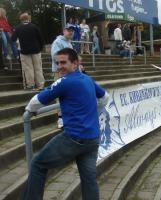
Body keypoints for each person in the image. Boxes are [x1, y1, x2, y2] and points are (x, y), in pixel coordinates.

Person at [22, 48, 109, 200]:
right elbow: (105, 98)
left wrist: (29, 111)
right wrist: (95, 114)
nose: (59, 66)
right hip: (92, 138)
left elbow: (36, 101)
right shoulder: (87, 79)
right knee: (89, 180)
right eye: (57, 63)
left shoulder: (65, 81)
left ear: (75, 63)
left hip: (74, 138)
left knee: (37, 164)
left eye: (63, 62)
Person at [11, 12, 45, 90]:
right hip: (36, 50)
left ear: (21, 20)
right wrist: (40, 48)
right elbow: (41, 39)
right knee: (38, 68)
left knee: (28, 69)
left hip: (24, 52)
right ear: (28, 19)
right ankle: (40, 85)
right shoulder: (34, 27)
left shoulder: (18, 28)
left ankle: (30, 85)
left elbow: (13, 39)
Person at [51, 24, 75, 128]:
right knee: (60, 95)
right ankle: (60, 119)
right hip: (60, 72)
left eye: (72, 30)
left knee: (69, 95)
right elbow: (55, 57)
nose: (71, 32)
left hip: (70, 73)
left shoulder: (69, 43)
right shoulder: (58, 42)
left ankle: (68, 116)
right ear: (64, 31)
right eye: (68, 30)